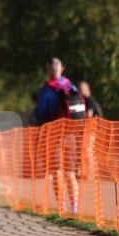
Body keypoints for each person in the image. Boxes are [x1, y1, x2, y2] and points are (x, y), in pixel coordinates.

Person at [33, 58, 83, 214]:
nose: (54, 68)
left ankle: (62, 206)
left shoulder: (46, 90)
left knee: (57, 171)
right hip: (70, 133)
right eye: (53, 65)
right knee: (69, 171)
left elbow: (41, 113)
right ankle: (74, 207)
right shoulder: (71, 87)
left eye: (55, 65)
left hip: (54, 133)